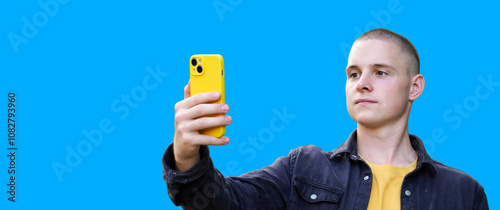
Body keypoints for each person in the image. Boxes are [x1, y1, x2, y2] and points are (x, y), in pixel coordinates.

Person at [162, 28, 489, 209]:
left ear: (414, 87)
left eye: (381, 72)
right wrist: (187, 154)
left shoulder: (462, 193)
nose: (362, 83)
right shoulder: (302, 169)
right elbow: (216, 203)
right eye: (354, 73)